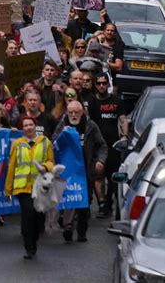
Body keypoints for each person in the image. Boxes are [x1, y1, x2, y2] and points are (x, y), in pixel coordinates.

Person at [53, 101, 108, 242]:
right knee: (70, 198)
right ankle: (68, 227)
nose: (73, 115)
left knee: (84, 202)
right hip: (68, 170)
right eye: (70, 112)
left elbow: (102, 145)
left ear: (82, 112)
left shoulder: (90, 126)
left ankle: (82, 231)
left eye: (76, 112)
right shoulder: (63, 124)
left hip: (86, 170)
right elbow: (54, 142)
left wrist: (100, 161)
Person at [5, 115, 54, 259]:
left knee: (38, 218)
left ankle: (35, 240)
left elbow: (51, 161)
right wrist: (8, 189)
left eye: (30, 125)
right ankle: (29, 247)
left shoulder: (46, 142)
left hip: (39, 186)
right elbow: (12, 166)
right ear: (22, 128)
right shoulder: (18, 144)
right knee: (28, 215)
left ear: (35, 126)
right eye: (25, 125)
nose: (28, 128)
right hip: (23, 187)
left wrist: (45, 167)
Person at [90, 73, 128, 218]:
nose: (101, 86)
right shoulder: (92, 102)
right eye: (98, 83)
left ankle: (108, 198)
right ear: (95, 85)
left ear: (108, 84)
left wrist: (124, 136)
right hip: (98, 144)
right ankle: (102, 204)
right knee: (98, 174)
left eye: (104, 83)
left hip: (113, 144)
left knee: (112, 176)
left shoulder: (116, 101)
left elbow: (123, 119)